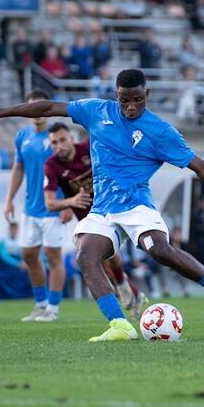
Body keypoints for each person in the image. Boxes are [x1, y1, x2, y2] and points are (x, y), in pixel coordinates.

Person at [0, 69, 204, 342]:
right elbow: (48, 108)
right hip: (103, 210)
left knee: (161, 251)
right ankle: (120, 325)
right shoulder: (96, 111)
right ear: (116, 95)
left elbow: (200, 167)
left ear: (146, 94)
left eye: (137, 100)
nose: (130, 107)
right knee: (86, 257)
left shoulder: (160, 132)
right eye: (124, 100)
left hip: (137, 206)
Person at [42, 122, 148, 320]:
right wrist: (69, 202)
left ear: (72, 138)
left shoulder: (90, 147)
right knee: (100, 263)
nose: (59, 146)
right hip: (86, 217)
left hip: (111, 206)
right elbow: (49, 203)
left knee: (107, 255)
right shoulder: (51, 165)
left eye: (62, 140)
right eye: (54, 143)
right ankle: (131, 292)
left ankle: (125, 289)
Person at [2, 90, 68, 322]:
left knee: (53, 256)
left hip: (54, 206)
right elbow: (18, 168)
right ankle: (40, 305)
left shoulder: (57, 139)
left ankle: (53, 308)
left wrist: (69, 205)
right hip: (30, 208)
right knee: (29, 255)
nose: (37, 113)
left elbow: (70, 171)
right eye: (32, 108)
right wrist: (9, 199)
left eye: (41, 107)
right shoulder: (22, 137)